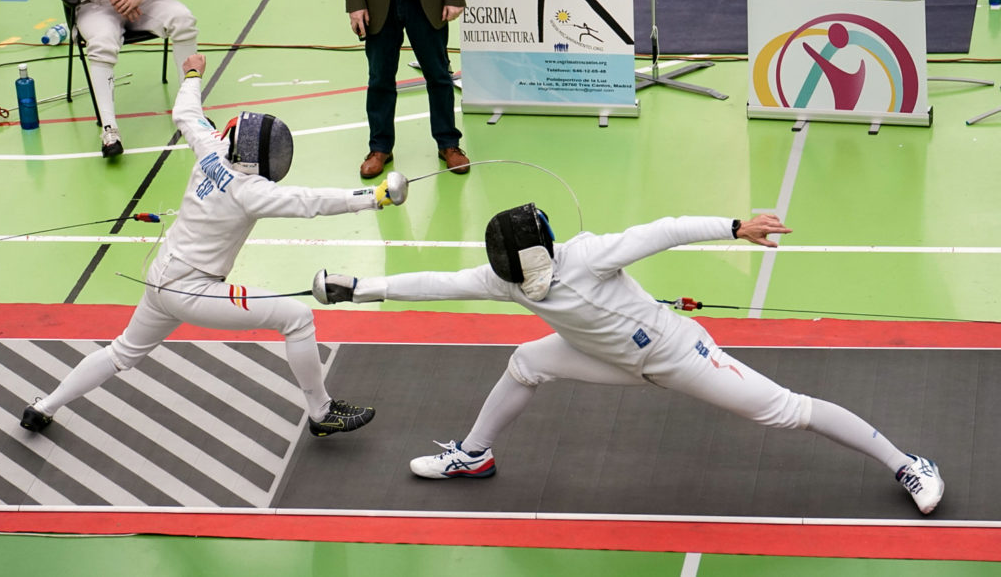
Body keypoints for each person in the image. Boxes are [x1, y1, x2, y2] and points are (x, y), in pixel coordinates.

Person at [312, 204, 945, 514]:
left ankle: (908, 464)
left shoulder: (589, 255)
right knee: (527, 361)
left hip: (677, 355)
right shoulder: (502, 279)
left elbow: (662, 230)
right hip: (602, 356)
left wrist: (734, 227)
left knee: (786, 411)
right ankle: (474, 455)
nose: (521, 281)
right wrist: (359, 288)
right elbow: (437, 282)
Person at [21, 54, 407, 438]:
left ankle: (43, 407)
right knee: (297, 318)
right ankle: (322, 412)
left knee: (122, 352)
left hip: (160, 276)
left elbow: (186, 112)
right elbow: (310, 201)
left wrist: (192, 73)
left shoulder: (212, 146)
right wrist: (374, 197)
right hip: (193, 289)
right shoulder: (249, 191)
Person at [55, 0, 198, 158]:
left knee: (184, 20)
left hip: (141, 0)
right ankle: (109, 130)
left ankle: (191, 113)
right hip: (96, 6)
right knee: (102, 43)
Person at [340, 0, 469, 179]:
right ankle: (380, 147)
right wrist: (355, 3)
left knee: (438, 74)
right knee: (380, 77)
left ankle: (448, 143)